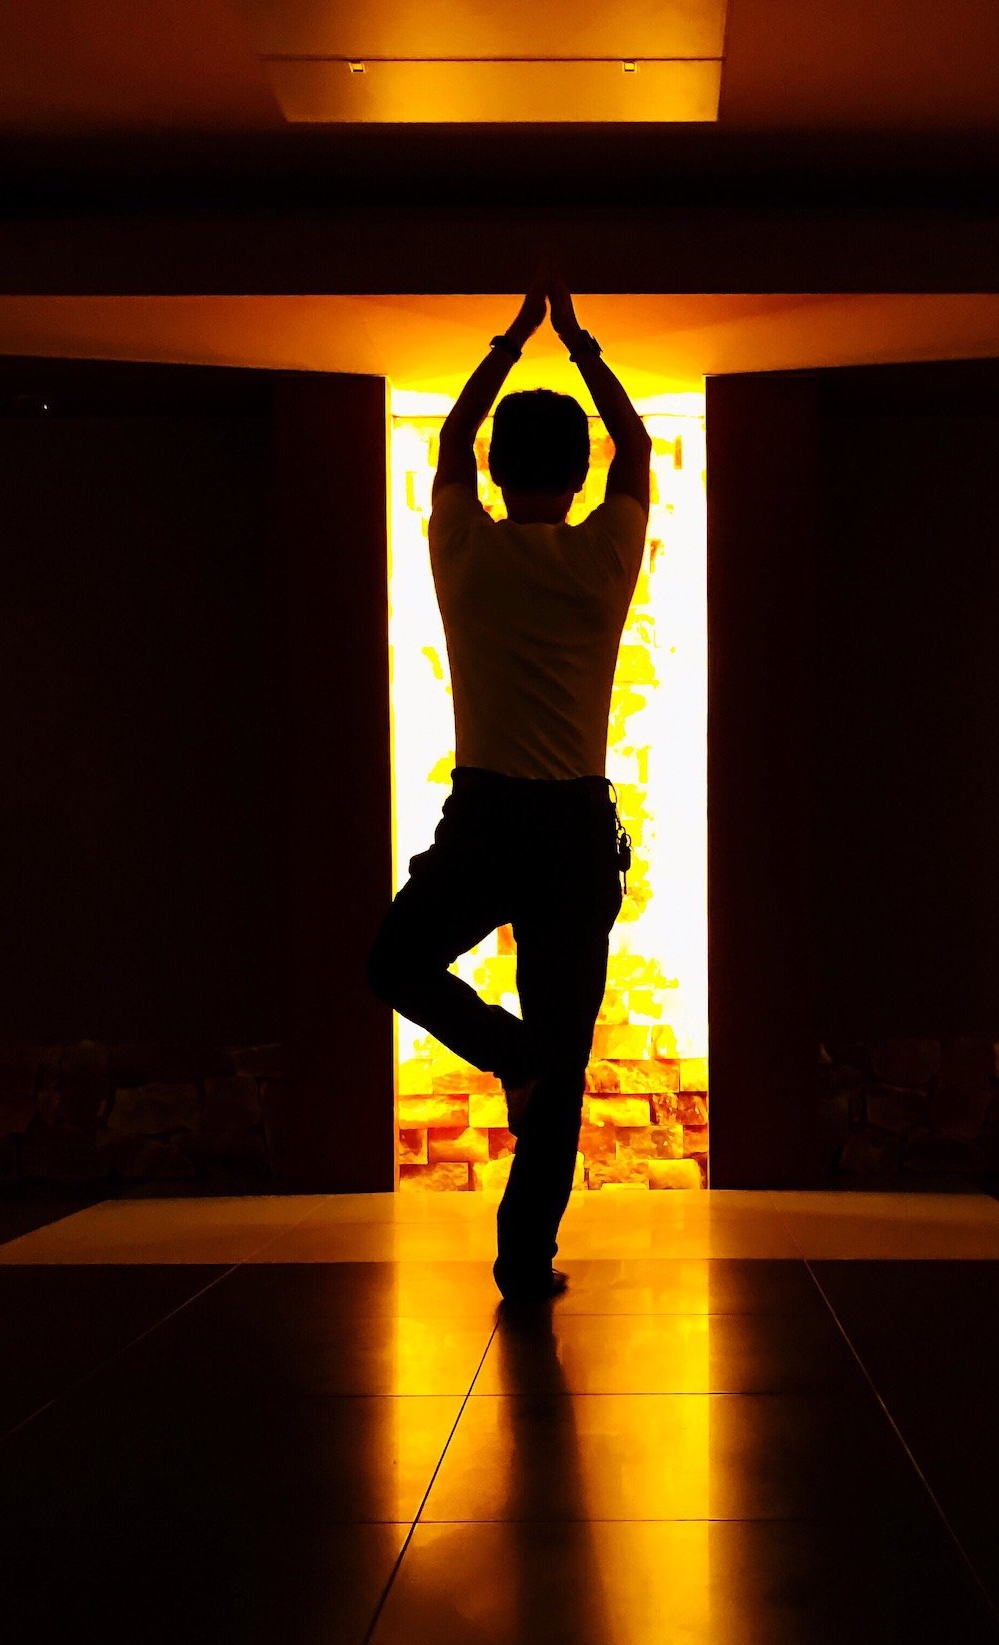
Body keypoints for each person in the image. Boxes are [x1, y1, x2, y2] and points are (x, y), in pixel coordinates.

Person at [366, 270, 652, 1304]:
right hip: (573, 827)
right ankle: (524, 1258)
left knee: (395, 961)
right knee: (563, 1056)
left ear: (496, 471)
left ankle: (510, 1055)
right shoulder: (605, 556)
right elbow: (641, 450)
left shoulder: (466, 551)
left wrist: (506, 343)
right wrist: (578, 344)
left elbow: (445, 445)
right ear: (577, 478)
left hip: (487, 816)